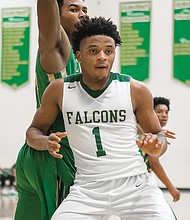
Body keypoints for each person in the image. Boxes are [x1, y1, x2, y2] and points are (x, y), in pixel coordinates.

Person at [25, 16, 176, 219]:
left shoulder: (135, 89)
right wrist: (45, 142)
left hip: (136, 186)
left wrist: (157, 146)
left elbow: (159, 135)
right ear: (78, 55)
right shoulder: (60, 90)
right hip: (87, 189)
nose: (102, 57)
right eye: (93, 51)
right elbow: (33, 132)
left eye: (109, 51)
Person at [14, 0, 88, 219]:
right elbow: (46, 10)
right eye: (73, 9)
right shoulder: (56, 46)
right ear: (57, 15)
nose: (82, 14)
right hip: (54, 155)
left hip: (35, 151)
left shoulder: (78, 57)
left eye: (85, 9)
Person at [149, 97, 180, 202]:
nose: (164, 115)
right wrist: (171, 187)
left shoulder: (156, 133)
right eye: (159, 112)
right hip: (136, 182)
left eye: (166, 112)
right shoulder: (147, 132)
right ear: (150, 113)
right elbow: (154, 163)